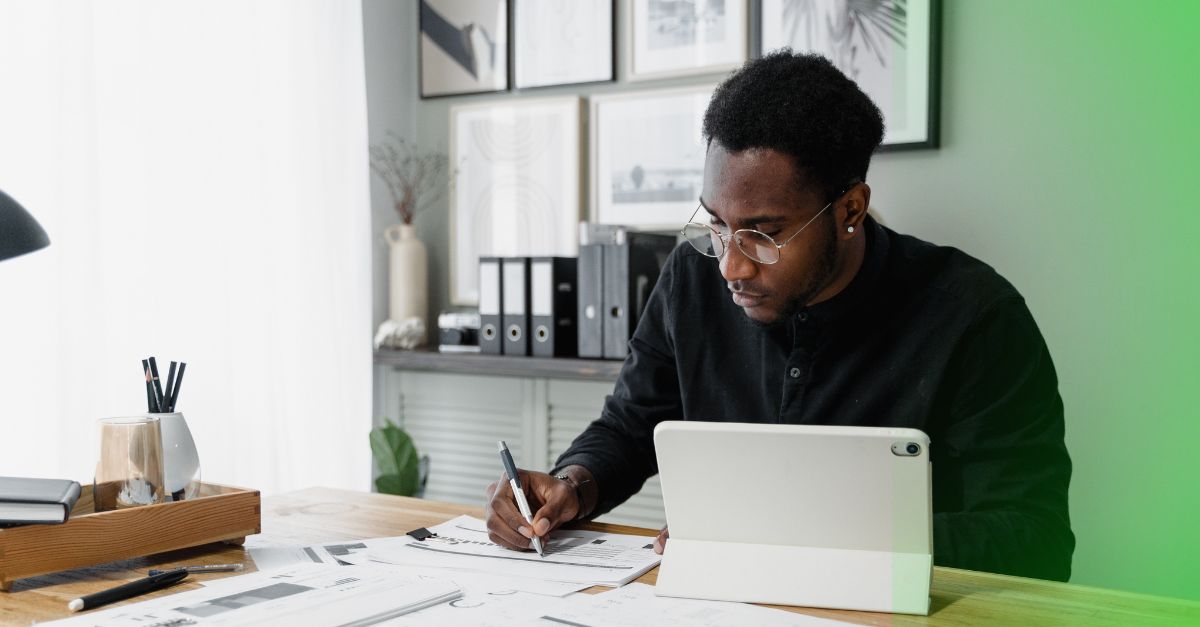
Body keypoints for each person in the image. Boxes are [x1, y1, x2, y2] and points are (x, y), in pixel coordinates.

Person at [485, 51, 1074, 581]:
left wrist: (793, 541)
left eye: (763, 235)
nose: (730, 268)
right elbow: (630, 427)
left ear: (850, 209)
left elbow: (1034, 539)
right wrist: (573, 484)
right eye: (716, 224)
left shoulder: (975, 317)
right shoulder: (691, 277)